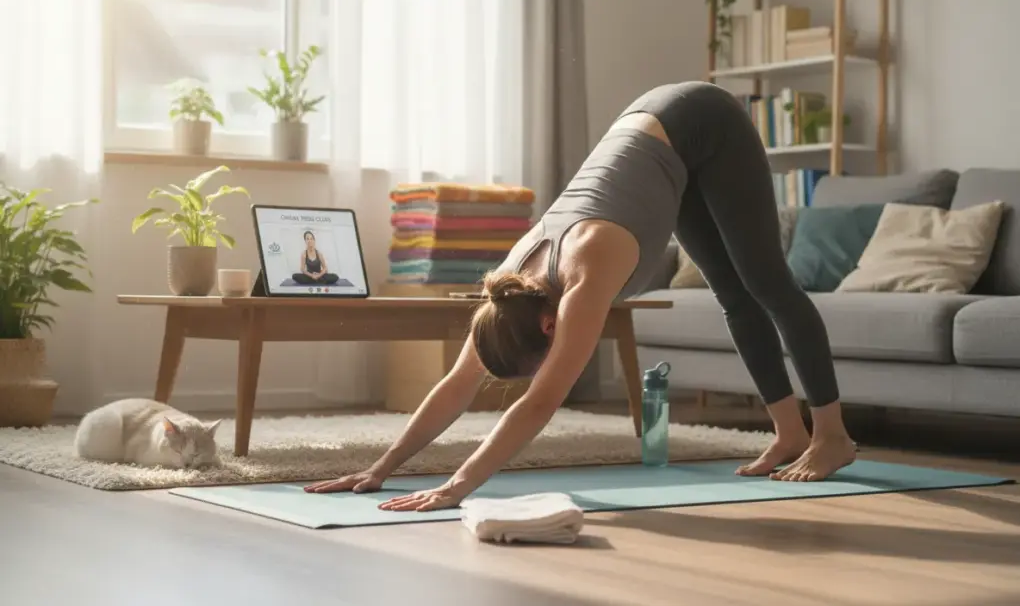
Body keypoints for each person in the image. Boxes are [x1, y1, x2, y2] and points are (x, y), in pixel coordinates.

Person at [305, 81, 857, 510]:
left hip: (704, 119)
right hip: (656, 139)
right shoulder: (508, 294)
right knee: (733, 297)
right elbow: (456, 385)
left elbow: (539, 403)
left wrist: (457, 486)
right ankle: (789, 433)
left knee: (766, 283)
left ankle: (831, 435)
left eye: (536, 363)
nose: (540, 371)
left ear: (549, 328)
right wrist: (383, 467)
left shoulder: (585, 275)